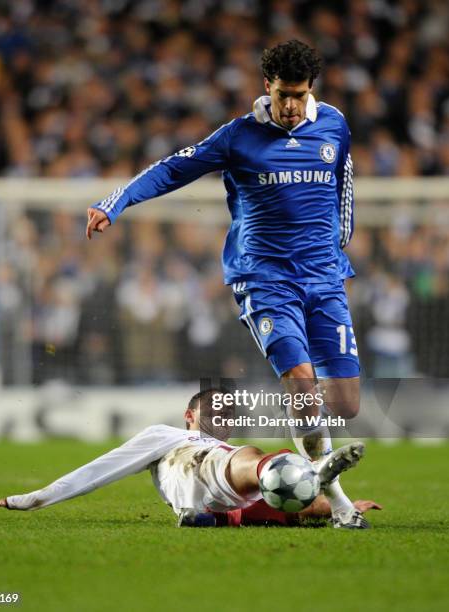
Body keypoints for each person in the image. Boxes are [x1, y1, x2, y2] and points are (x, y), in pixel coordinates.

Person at [85, 41, 363, 527]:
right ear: (266, 87)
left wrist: (339, 246)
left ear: (311, 89)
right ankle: (337, 502)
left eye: (299, 95)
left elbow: (344, 187)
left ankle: (317, 462)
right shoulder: (238, 137)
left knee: (345, 404)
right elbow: (173, 168)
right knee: (302, 383)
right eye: (283, 95)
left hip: (324, 277)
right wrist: (115, 202)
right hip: (265, 277)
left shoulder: (335, 126)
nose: (291, 105)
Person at [0, 389, 381, 528]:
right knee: (260, 460)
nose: (222, 418)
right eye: (214, 411)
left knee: (306, 511)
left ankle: (335, 502)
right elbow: (98, 471)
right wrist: (33, 498)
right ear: (189, 416)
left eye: (228, 415)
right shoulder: (168, 436)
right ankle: (313, 472)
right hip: (208, 469)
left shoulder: (225, 444)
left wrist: (342, 506)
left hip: (231, 500)